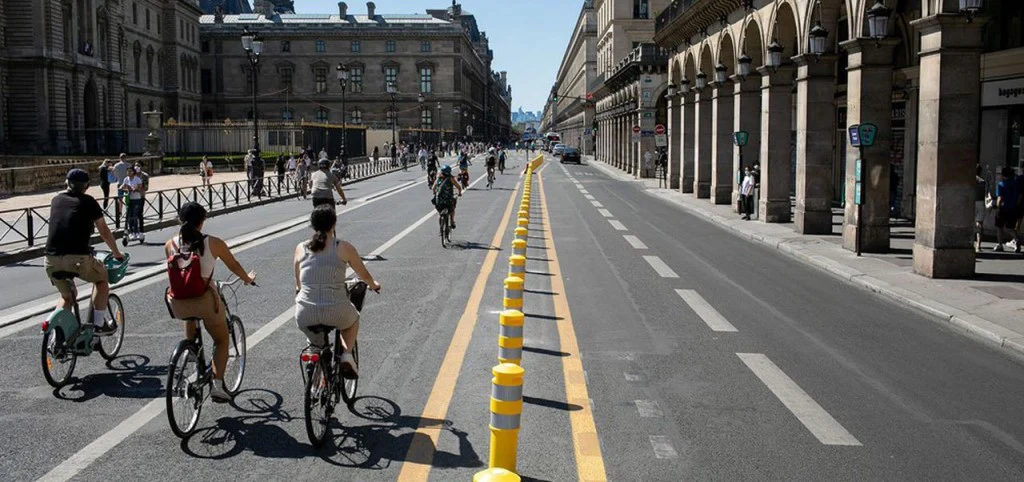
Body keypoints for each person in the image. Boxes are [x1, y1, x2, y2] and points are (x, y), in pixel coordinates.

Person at [165, 202, 256, 403]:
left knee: (189, 314)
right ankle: (217, 384)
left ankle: (190, 350)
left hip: (177, 303)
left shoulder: (169, 245)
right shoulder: (213, 243)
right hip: (205, 300)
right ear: (202, 221)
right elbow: (233, 265)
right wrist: (247, 279)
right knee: (222, 339)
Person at [294, 205, 382, 379]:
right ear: (333, 225)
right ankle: (347, 355)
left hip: (304, 314)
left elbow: (298, 285)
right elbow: (363, 274)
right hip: (335, 309)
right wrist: (374, 284)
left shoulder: (300, 248)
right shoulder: (343, 247)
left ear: (312, 225)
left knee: (315, 343)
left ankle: (316, 375)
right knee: (352, 321)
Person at [44, 169, 126, 335]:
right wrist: (117, 253)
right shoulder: (88, 202)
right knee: (102, 280)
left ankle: (56, 335)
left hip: (50, 259)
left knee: (67, 297)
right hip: (77, 258)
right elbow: (104, 231)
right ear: (87, 186)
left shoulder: (56, 200)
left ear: (66, 182)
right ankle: (98, 325)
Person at [994, 167, 1018, 252]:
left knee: (999, 227)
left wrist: (997, 208)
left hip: (1003, 208)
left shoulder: (1001, 184)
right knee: (1010, 227)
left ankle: (1000, 244)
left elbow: (1000, 198)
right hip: (1013, 207)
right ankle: (1016, 240)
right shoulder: (1015, 184)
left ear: (1003, 175)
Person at [433, 165, 463, 229]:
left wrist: (435, 192)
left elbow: (433, 188)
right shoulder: (450, 178)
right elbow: (459, 187)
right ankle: (452, 221)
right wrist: (459, 193)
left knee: (439, 211)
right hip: (448, 199)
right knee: (452, 209)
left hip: (439, 200)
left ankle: (441, 226)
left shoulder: (438, 177)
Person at [119, 165, 145, 241]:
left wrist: (135, 189)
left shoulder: (137, 179)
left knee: (134, 215)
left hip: (136, 199)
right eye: (128, 171)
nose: (129, 172)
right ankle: (131, 232)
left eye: (130, 171)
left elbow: (140, 188)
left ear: (133, 172)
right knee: (129, 216)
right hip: (128, 199)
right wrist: (125, 188)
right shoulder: (126, 179)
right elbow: (122, 187)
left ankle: (136, 232)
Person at [975, 165, 988, 253]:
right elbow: (986, 193)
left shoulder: (971, 180)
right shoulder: (983, 181)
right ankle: (978, 245)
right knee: (980, 224)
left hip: (972, 202)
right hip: (981, 202)